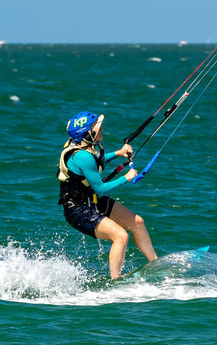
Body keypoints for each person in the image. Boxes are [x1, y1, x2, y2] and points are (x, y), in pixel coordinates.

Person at [57, 111, 157, 278]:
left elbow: (96, 161)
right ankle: (115, 280)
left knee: (137, 222)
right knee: (120, 236)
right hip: (78, 210)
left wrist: (118, 153)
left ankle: (155, 263)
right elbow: (101, 189)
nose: (102, 129)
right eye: (98, 127)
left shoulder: (84, 147)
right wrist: (126, 178)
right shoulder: (81, 156)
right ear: (87, 133)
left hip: (92, 200)